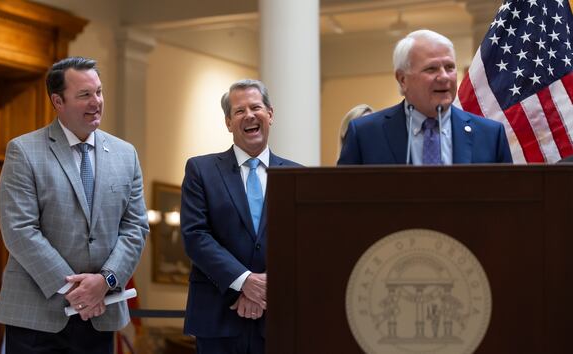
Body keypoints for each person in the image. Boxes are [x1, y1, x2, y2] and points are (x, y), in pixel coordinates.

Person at [0, 57, 149, 353]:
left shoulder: (125, 154)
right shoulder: (24, 151)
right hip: (36, 318)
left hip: (101, 314)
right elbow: (19, 230)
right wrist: (75, 290)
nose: (96, 102)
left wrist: (105, 281)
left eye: (99, 92)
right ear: (58, 101)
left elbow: (135, 227)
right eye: (84, 95)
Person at [181, 79, 301, 354]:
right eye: (239, 111)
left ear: (270, 114)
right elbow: (195, 236)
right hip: (217, 316)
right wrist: (244, 281)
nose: (249, 115)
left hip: (279, 316)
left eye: (255, 107)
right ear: (228, 122)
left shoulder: (297, 176)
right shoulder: (201, 170)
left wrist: (265, 290)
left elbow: (304, 243)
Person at [338, 29, 512, 165]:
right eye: (431, 69)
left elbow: (509, 203)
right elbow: (342, 203)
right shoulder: (365, 134)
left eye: (449, 67)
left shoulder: (490, 135)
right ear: (402, 79)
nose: (444, 77)